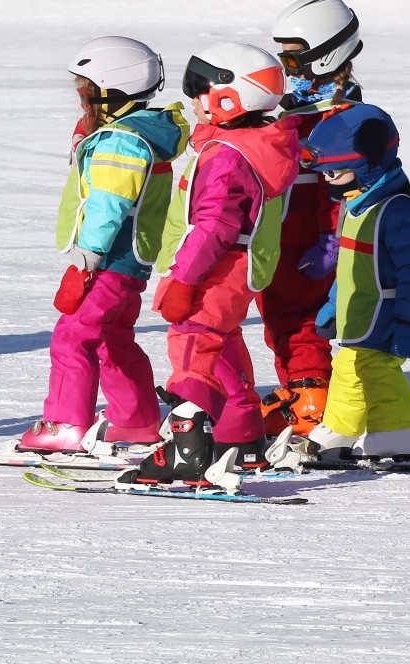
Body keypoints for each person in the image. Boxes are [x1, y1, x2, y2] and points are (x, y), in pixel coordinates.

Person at [121, 42, 299, 487]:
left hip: (214, 268)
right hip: (238, 267)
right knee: (220, 347)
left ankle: (187, 450)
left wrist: (183, 279)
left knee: (193, 349)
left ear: (230, 95)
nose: (194, 101)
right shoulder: (255, 143)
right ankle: (242, 437)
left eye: (200, 89)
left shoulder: (226, 155)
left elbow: (213, 225)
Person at [17, 37, 188, 455]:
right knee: (113, 339)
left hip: (109, 260)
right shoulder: (131, 133)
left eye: (86, 89)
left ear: (115, 88)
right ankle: (136, 421)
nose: (80, 97)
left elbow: (108, 204)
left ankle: (66, 424)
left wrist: (85, 260)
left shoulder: (121, 141)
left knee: (73, 338)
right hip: (127, 262)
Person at [295, 104, 410, 459]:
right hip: (361, 314)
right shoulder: (356, 204)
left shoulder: (399, 212)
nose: (328, 181)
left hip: (389, 315)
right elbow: (349, 267)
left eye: (336, 173)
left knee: (364, 369)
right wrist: (333, 307)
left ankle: (349, 434)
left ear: (366, 166)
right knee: (362, 370)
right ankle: (385, 434)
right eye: (325, 174)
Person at [256, 0, 365, 438]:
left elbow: (347, 185)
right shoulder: (298, 106)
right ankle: (303, 392)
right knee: (280, 317)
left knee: (299, 319)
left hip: (308, 239)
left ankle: (311, 402)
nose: (288, 69)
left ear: (327, 55)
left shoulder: (343, 115)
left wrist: (332, 240)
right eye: (283, 57)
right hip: (281, 233)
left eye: (294, 58)